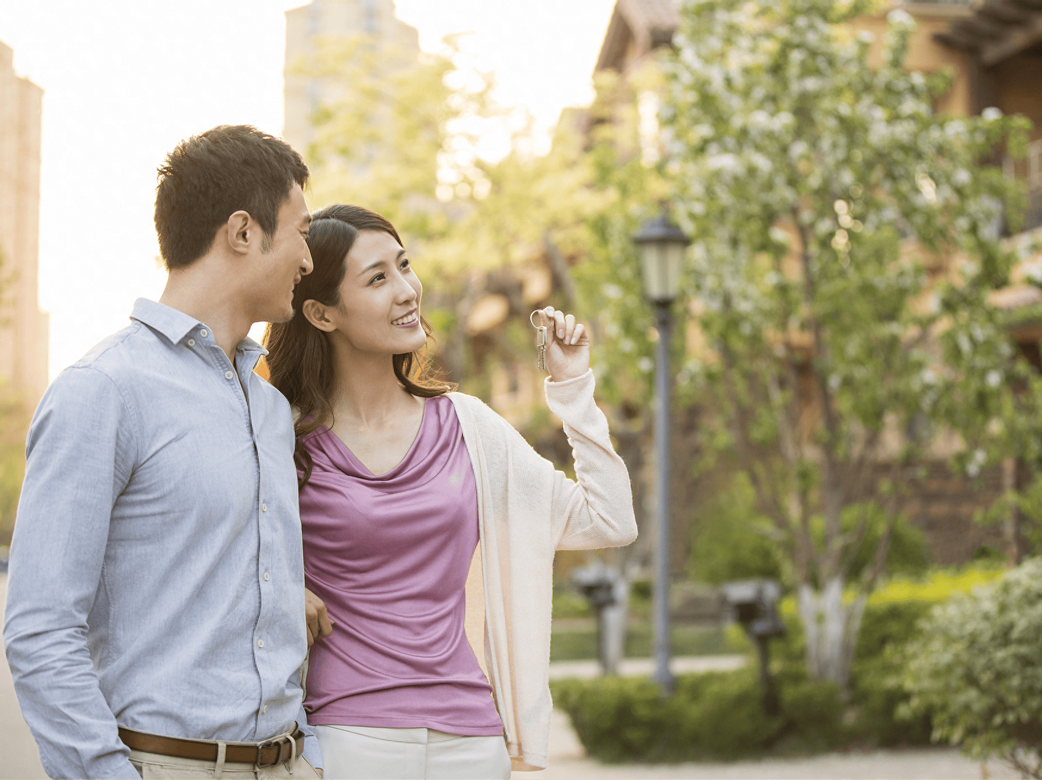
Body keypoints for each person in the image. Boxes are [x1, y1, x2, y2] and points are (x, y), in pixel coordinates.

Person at [263, 204, 637, 779]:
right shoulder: (281, 439)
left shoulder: (466, 426)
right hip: (348, 738)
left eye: (404, 265)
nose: (408, 289)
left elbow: (609, 521)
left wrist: (572, 387)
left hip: (472, 736)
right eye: (378, 278)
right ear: (321, 312)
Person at [4, 125, 325, 780]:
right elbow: (39, 632)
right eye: (301, 232)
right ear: (242, 232)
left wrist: (307, 755)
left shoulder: (268, 407)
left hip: (287, 763)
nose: (309, 260)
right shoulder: (105, 390)